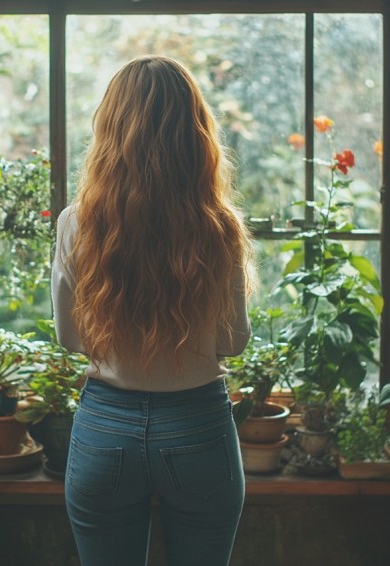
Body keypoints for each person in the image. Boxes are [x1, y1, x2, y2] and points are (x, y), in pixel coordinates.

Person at [51, 55, 253, 566]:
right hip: (199, 425)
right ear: (195, 133)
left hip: (106, 427)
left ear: (110, 129)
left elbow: (70, 337)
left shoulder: (78, 223)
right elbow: (232, 343)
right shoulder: (219, 226)